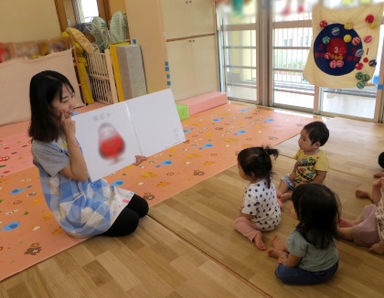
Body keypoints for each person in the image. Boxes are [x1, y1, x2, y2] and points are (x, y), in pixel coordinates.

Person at [29, 70, 148, 238]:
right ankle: (86, 225)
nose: (72, 104)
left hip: (95, 188)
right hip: (74, 204)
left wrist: (129, 156)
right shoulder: (42, 146)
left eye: (72, 96)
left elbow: (100, 148)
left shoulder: (76, 118)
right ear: (46, 105)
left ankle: (105, 212)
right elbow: (81, 174)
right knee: (131, 222)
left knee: (142, 207)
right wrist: (70, 136)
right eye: (64, 100)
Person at [268, 184, 340, 285]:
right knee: (299, 247)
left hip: (317, 273)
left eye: (294, 204)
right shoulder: (327, 224)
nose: (291, 205)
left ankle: (282, 253)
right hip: (333, 265)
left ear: (307, 214)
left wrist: (284, 261)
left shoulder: (299, 236)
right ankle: (285, 247)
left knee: (281, 273)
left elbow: (292, 263)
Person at [234, 146, 281, 250]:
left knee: (238, 222)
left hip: (265, 224)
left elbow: (249, 216)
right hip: (276, 216)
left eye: (239, 167)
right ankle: (278, 203)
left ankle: (254, 235)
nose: (238, 169)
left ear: (251, 174)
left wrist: (242, 212)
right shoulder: (267, 176)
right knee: (272, 200)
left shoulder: (252, 193)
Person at [277, 121, 329, 205]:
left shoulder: (321, 158)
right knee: (285, 179)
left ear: (316, 145)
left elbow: (321, 175)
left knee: (309, 194)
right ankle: (279, 194)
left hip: (310, 184)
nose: (299, 141)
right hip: (297, 179)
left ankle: (291, 195)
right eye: (300, 137)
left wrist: (311, 185)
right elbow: (298, 163)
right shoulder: (302, 151)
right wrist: (294, 173)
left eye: (304, 139)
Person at [338, 178, 384, 254]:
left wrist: (381, 247)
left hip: (380, 232)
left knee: (359, 231)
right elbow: (379, 204)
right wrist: (376, 189)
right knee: (371, 208)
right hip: (380, 216)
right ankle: (355, 223)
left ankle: (336, 230)